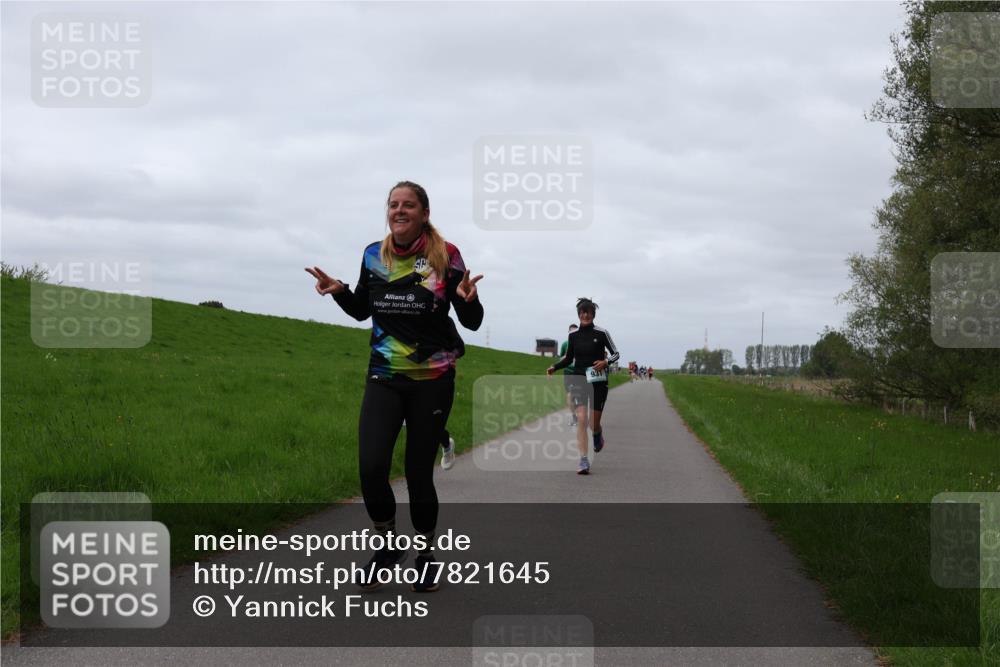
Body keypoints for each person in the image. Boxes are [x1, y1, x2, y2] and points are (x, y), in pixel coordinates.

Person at [305, 180, 483, 592]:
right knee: (370, 467)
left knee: (419, 475)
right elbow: (362, 309)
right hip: (383, 376)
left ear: (424, 213)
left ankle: (425, 555)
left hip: (433, 380)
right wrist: (339, 292)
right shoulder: (373, 254)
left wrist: (469, 299)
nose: (399, 211)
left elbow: (470, 321)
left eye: (408, 205)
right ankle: (387, 544)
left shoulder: (445, 256)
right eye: (393, 205)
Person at [546, 298, 620, 474]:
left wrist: (605, 362)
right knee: (581, 419)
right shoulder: (573, 335)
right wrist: (554, 367)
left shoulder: (602, 333)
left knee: (594, 424)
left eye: (588, 312)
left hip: (598, 382)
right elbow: (568, 358)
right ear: (578, 314)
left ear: (593, 314)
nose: (585, 315)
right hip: (579, 379)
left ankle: (597, 434)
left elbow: (616, 354)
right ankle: (584, 460)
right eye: (582, 312)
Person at [559, 324, 578, 426]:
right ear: (569, 332)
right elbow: (561, 358)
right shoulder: (564, 344)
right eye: (571, 332)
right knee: (570, 396)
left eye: (575, 331)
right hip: (568, 372)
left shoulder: (582, 344)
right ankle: (574, 417)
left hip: (580, 373)